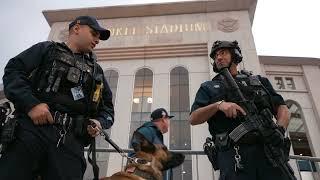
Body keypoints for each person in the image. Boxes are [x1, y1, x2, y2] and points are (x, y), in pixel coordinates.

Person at [0, 16, 115, 180]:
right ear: (76, 28)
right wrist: (31, 104)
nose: (97, 40)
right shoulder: (46, 49)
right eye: (94, 33)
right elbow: (13, 71)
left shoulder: (97, 72)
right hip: (31, 131)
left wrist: (99, 122)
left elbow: (108, 109)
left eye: (99, 37)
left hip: (70, 142)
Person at [189, 40, 294, 180]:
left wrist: (280, 129)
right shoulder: (208, 87)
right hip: (235, 157)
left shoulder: (259, 81)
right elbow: (194, 118)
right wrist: (219, 105)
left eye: (223, 53)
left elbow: (282, 108)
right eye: (215, 56)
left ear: (235, 55)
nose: (218, 58)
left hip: (270, 152)